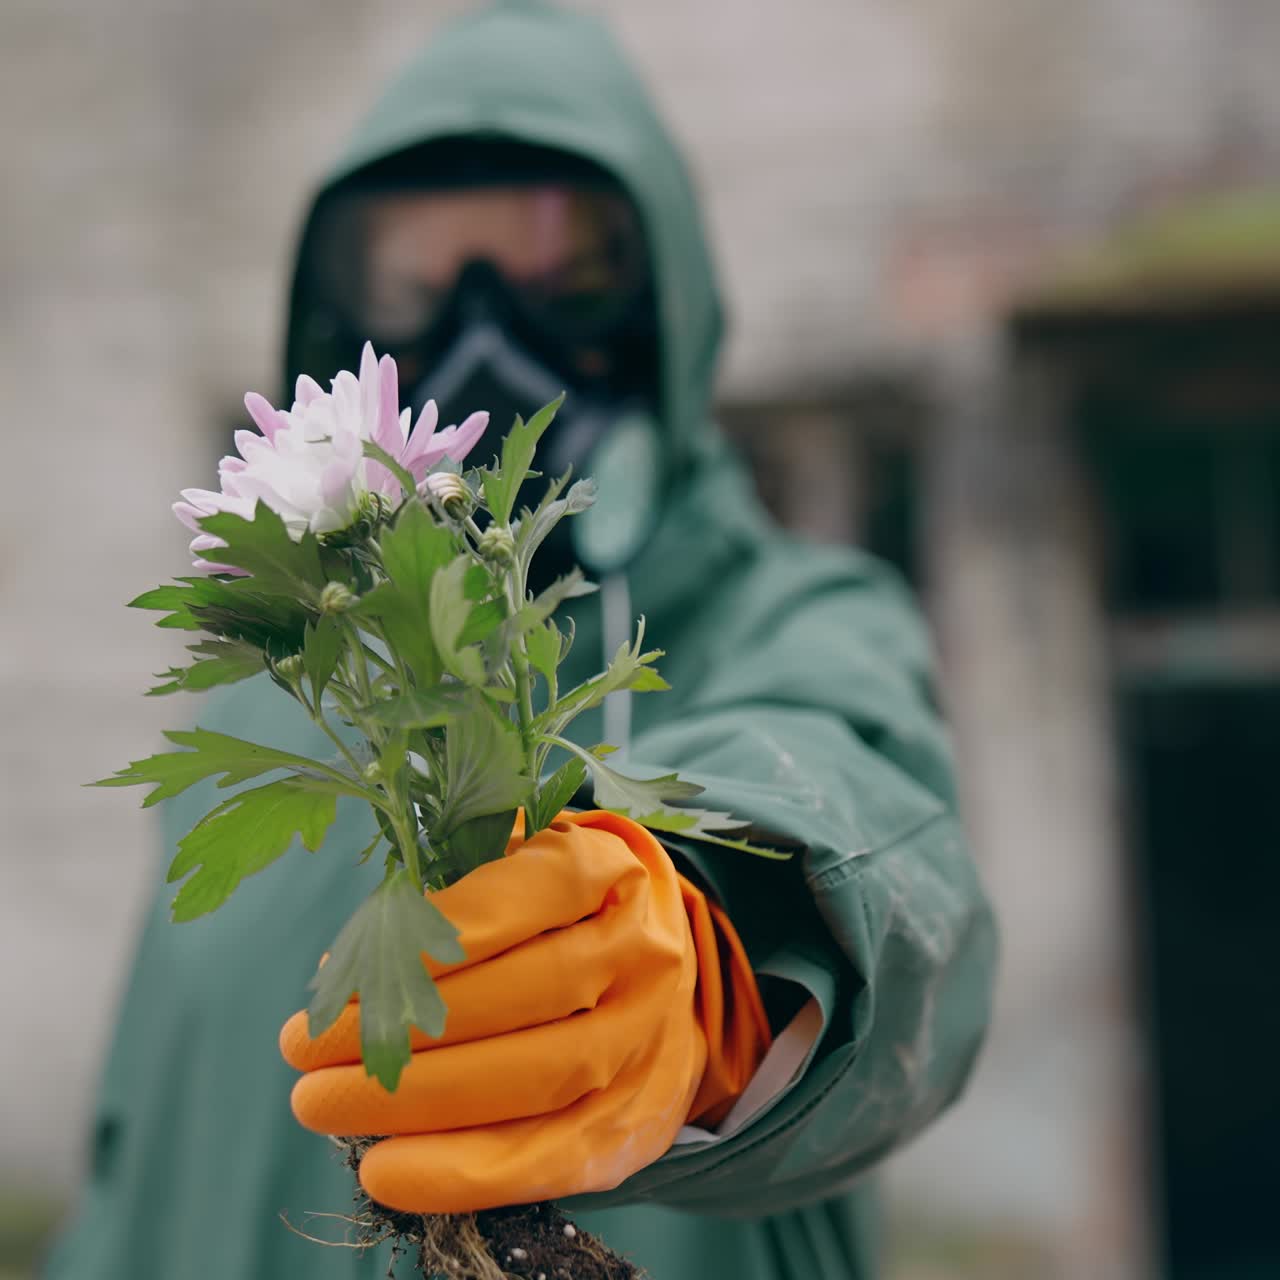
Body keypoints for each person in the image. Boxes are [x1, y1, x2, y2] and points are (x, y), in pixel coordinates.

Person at [47, 3, 997, 1277]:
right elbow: (139, 1147)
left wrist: (718, 976)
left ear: (666, 303)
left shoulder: (792, 615)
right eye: (415, 287)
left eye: (565, 281)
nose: (485, 339)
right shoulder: (272, 702)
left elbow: (874, 828)